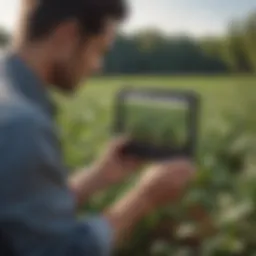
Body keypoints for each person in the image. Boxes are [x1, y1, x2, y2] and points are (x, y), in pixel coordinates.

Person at [0, 0, 194, 255]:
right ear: (67, 36)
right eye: (98, 50)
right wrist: (144, 198)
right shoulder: (24, 125)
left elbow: (20, 211)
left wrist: (97, 177)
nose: (97, 66)